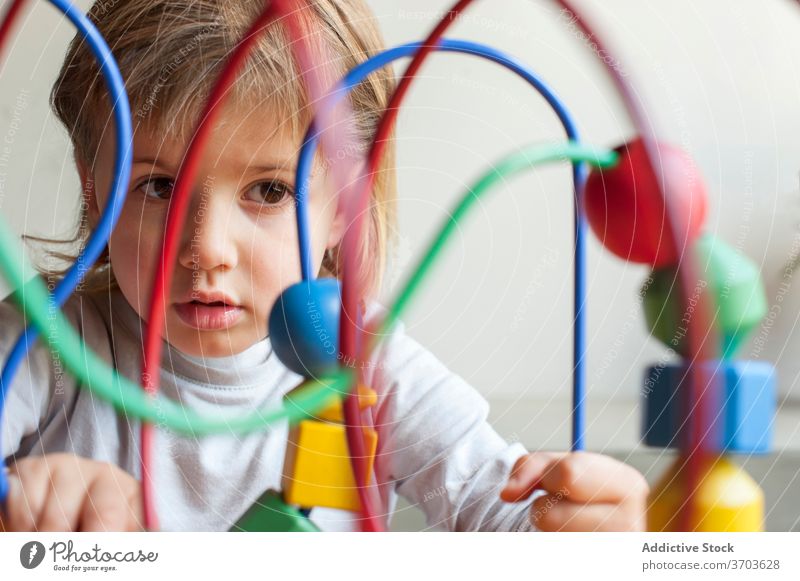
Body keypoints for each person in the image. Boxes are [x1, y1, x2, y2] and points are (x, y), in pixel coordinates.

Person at [0, 0, 647, 532]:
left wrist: (580, 528)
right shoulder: (39, 344)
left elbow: (497, 510)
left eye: (269, 191)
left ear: (344, 205)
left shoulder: (370, 365)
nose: (205, 248)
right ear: (95, 189)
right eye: (158, 186)